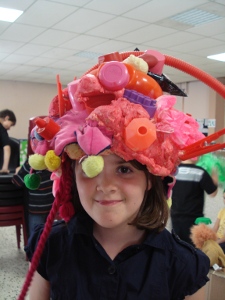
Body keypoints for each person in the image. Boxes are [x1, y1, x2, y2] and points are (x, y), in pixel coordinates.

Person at [18, 49, 223, 300]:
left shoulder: (183, 264)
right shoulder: (52, 245)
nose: (105, 185)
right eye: (89, 168)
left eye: (124, 169)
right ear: (71, 177)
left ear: (151, 179)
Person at [170, 158, 218, 246]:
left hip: (175, 216)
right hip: (194, 218)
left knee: (177, 245)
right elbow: (213, 193)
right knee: (193, 247)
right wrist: (215, 177)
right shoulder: (200, 172)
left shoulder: (174, 171)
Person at [12, 159, 55, 237]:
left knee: (35, 237)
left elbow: (17, 182)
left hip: (36, 209)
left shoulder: (31, 162)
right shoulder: (52, 160)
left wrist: (17, 171)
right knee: (48, 235)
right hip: (52, 207)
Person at [0, 109, 17, 173]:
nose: (9, 128)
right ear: (6, 118)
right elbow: (6, 147)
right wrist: (5, 168)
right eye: (11, 125)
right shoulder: (2, 129)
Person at [212, 189, 225, 253]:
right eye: (224, 198)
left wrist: (215, 243)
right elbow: (215, 229)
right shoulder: (222, 211)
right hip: (218, 239)